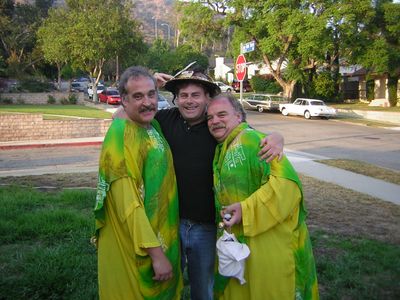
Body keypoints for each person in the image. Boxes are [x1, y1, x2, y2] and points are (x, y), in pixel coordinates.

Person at [114, 67, 284, 300]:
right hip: (169, 222)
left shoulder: (218, 126)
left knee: (203, 288)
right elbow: (121, 116)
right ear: (176, 99)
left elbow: (251, 135)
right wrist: (150, 84)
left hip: (205, 226)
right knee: (165, 281)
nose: (189, 101)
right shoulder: (164, 119)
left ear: (207, 99)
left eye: (196, 95)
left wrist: (277, 137)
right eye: (183, 95)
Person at [206, 94, 319, 300]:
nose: (214, 121)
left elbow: (287, 186)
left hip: (270, 243)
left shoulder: (251, 139)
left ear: (239, 116)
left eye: (222, 114)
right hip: (245, 242)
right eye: (210, 117)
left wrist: (246, 209)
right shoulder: (224, 147)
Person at [93, 66, 182, 300]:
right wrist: (156, 255)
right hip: (140, 245)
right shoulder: (121, 137)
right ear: (123, 100)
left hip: (162, 231)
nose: (147, 102)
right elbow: (128, 203)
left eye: (151, 94)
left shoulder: (152, 126)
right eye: (138, 96)